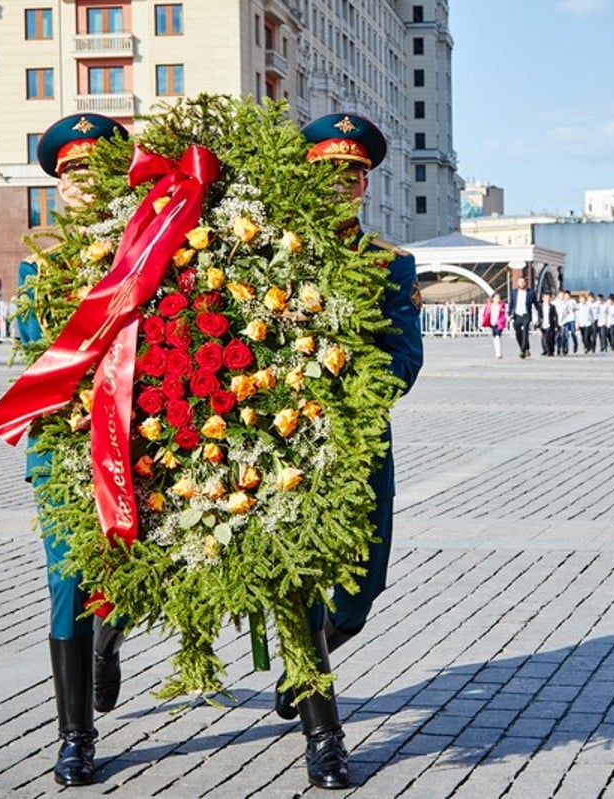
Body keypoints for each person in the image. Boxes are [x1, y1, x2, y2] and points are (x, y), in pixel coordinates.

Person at [277, 112, 423, 789]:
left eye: (352, 175)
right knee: (299, 584)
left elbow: (405, 353)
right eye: (329, 173)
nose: (340, 184)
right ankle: (324, 737)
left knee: (361, 592)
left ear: (365, 185)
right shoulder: (275, 255)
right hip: (287, 447)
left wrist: (356, 396)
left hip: (360, 442)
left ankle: (304, 664)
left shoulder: (390, 264)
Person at [20, 113, 129, 787]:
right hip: (65, 449)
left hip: (137, 447)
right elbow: (41, 360)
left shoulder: (149, 254)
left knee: (122, 586)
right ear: (58, 190)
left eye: (94, 172)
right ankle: (75, 737)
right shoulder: (40, 270)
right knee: (68, 585)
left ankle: (108, 643)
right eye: (71, 175)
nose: (83, 185)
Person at [507, 275, 534, 358]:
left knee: (525, 333)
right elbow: (511, 304)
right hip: (517, 315)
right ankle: (525, 348)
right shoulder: (514, 292)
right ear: (517, 283)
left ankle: (522, 351)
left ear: (525, 283)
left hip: (526, 315)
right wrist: (509, 314)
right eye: (520, 282)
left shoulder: (531, 292)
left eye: (523, 282)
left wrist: (540, 316)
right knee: (518, 334)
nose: (522, 284)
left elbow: (536, 304)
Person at [481, 291, 507, 358]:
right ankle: (497, 351)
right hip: (492, 323)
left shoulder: (502, 305)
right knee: (495, 336)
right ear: (493, 298)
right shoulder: (489, 305)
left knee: (498, 336)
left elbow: (504, 314)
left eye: (498, 298)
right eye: (496, 297)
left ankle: (498, 353)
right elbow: (485, 314)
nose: (497, 299)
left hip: (499, 323)